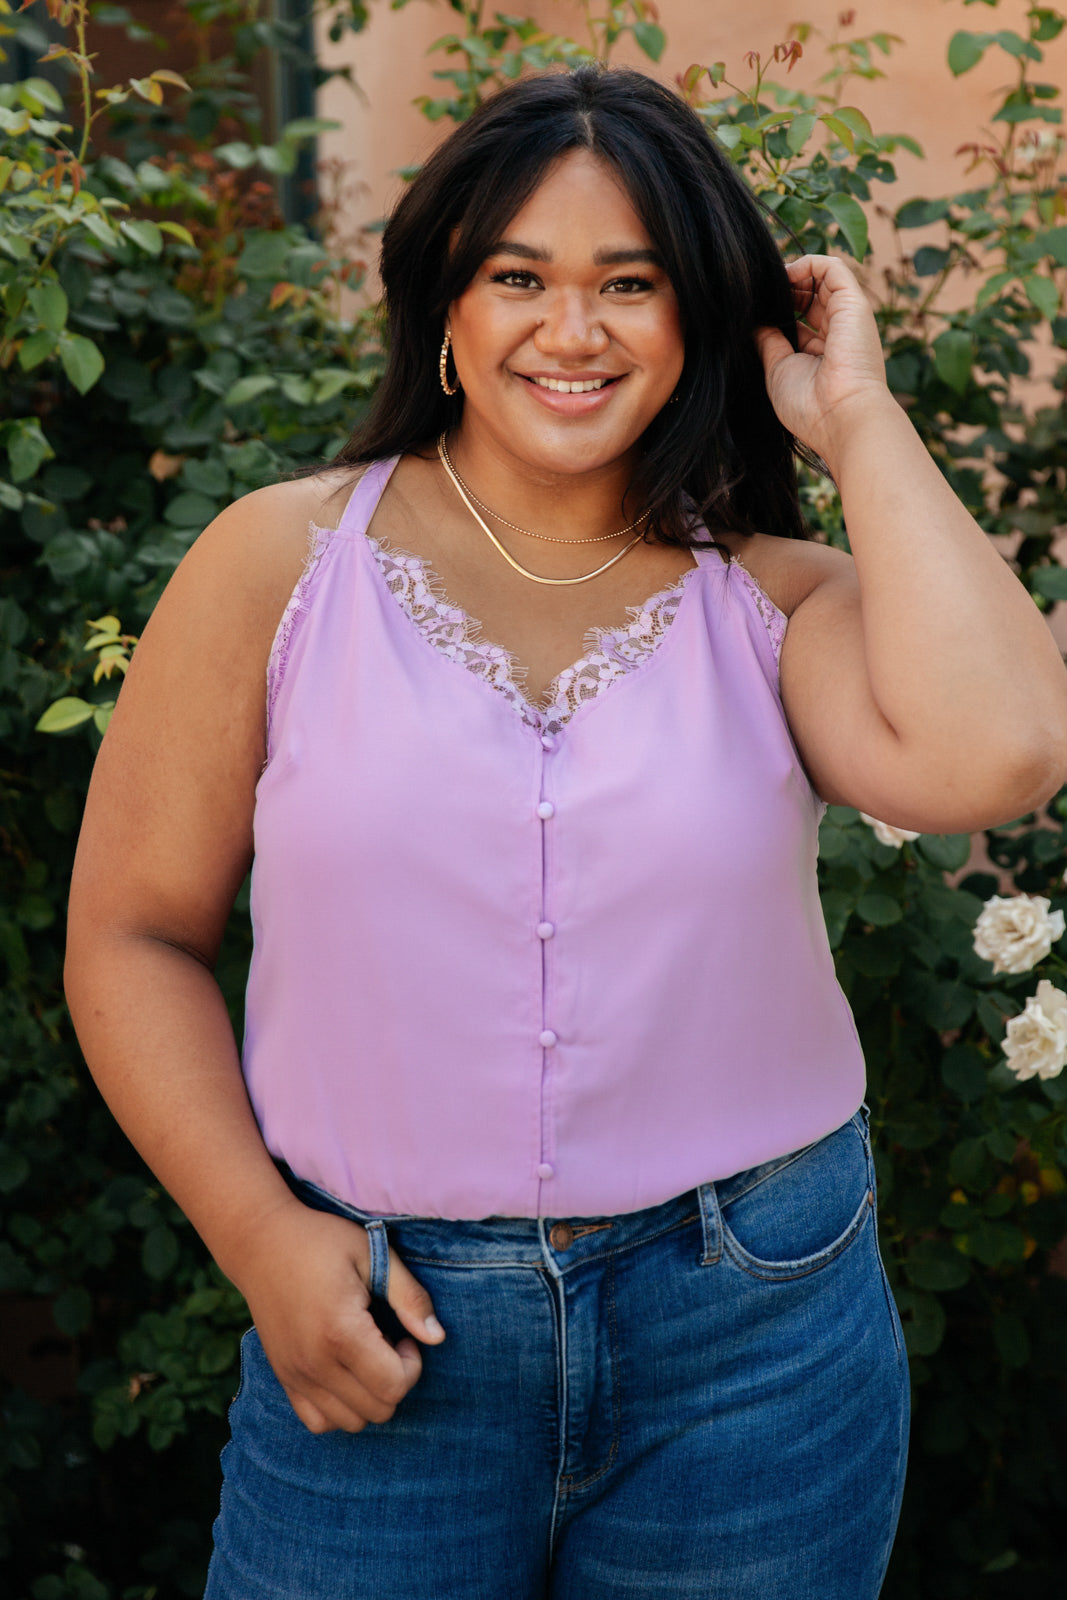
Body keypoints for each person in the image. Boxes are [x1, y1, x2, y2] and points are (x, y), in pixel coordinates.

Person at [64, 63, 1067, 1600]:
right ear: (446, 308)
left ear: (700, 322)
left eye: (632, 284)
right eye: (519, 276)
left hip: (759, 1339)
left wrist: (855, 413)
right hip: (380, 1320)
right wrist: (260, 1239)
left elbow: (1005, 751)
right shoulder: (278, 566)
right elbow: (133, 934)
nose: (574, 329)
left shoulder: (775, 599)